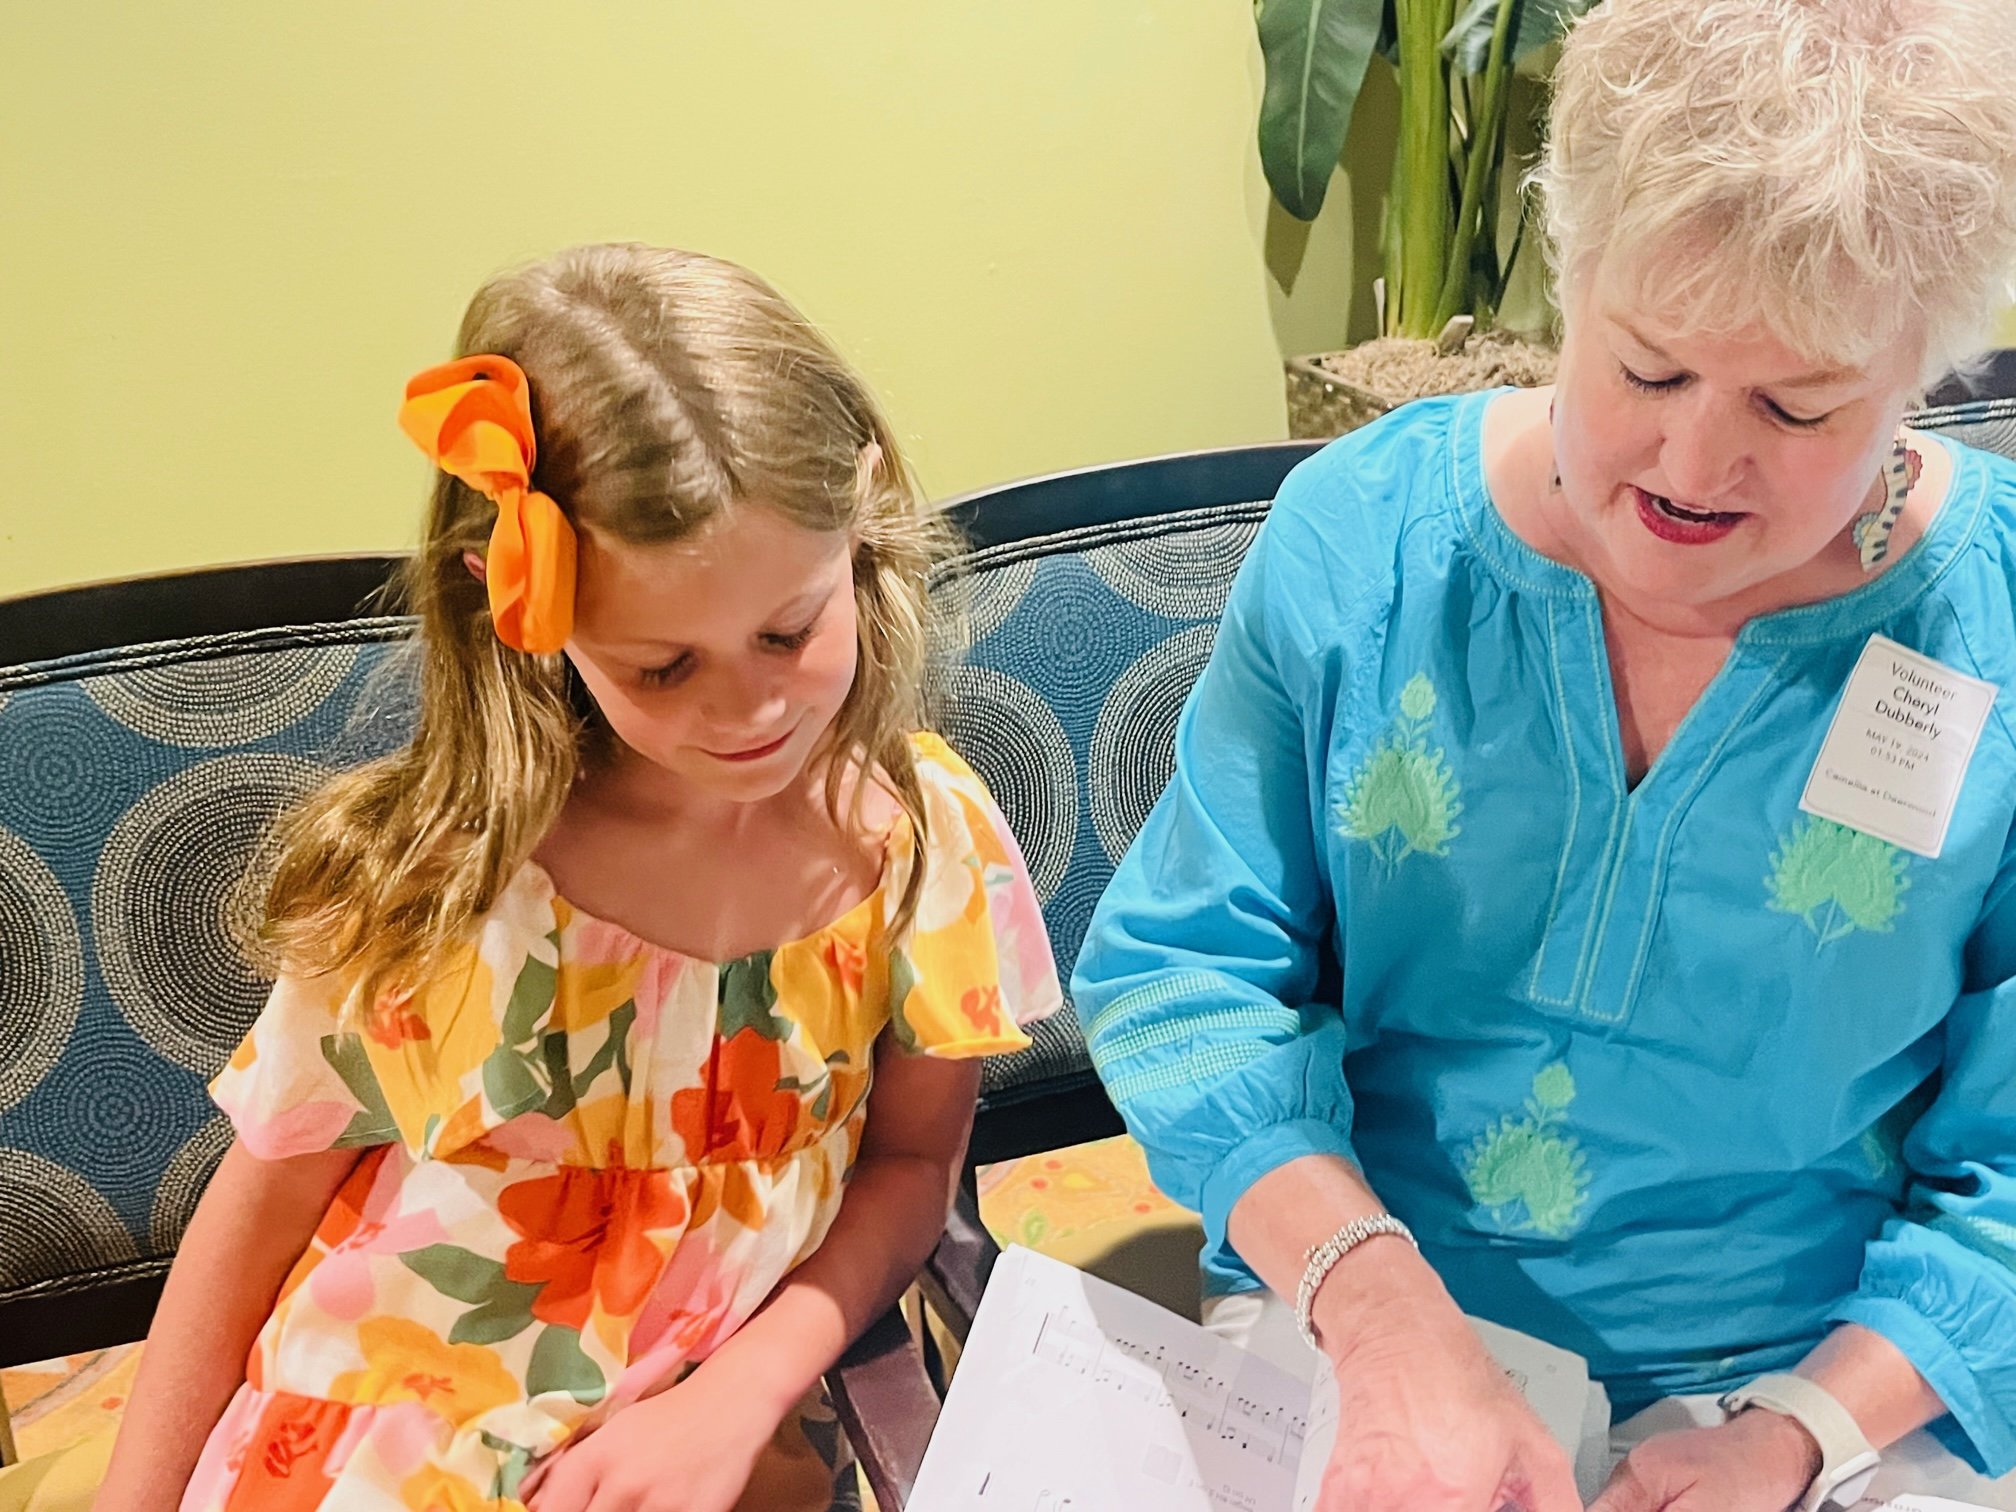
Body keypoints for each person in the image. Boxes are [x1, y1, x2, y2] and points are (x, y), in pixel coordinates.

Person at [1071, 1, 2016, 1508]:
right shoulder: (1365, 548)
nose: (1697, 470)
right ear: (1568, 277)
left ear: (1926, 371)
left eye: (1799, 405)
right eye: (1645, 372)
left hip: (1842, 1383)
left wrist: (1794, 1436)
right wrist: (1385, 1317)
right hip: (1362, 1299)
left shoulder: (1993, 628)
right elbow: (1187, 980)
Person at [85, 243, 1061, 1511]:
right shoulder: (451, 867)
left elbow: (912, 1171)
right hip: (380, 1435)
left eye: (789, 628)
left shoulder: (920, 847)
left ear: (864, 514)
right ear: (522, 606)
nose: (750, 709)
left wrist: (742, 1392)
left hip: (707, 1431)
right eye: (664, 668)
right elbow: (266, 1199)